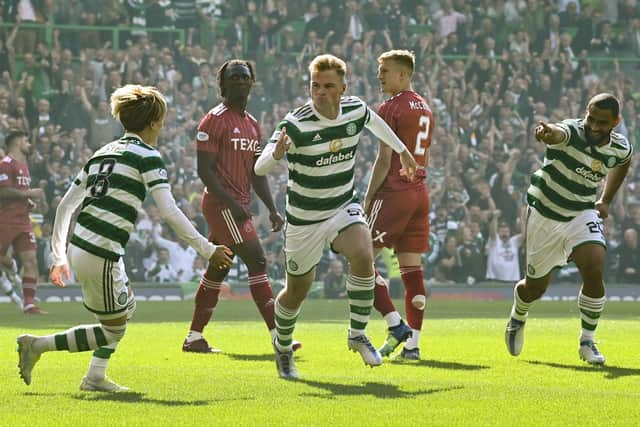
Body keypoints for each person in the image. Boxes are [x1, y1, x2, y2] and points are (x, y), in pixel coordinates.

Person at [16, 84, 233, 392]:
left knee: (125, 313)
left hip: (87, 248)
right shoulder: (147, 156)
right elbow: (169, 212)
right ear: (155, 122)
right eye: (162, 119)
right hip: (100, 252)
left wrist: (59, 256)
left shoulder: (102, 153)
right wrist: (208, 250)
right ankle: (37, 346)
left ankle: (94, 376)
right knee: (113, 329)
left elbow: (65, 206)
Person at [255, 54, 418, 379]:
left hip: (342, 206)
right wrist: (275, 154)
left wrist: (402, 150)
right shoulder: (295, 123)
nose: (321, 92)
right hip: (304, 219)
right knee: (297, 290)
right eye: (316, 86)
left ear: (343, 88)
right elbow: (259, 168)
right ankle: (283, 347)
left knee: (362, 252)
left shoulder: (355, 109)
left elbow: (376, 123)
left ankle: (357, 334)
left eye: (329, 86)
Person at [505, 93, 633, 365]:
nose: (594, 127)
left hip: (581, 212)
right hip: (545, 215)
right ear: (585, 113)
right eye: (591, 119)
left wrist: (606, 200)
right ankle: (519, 313)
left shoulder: (620, 147)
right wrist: (546, 131)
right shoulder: (573, 131)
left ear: (616, 122)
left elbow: (623, 163)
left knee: (595, 265)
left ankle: (587, 341)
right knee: (534, 289)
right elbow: (557, 133)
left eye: (602, 123)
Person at [183, 59, 292, 353]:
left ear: (252, 82)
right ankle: (279, 337)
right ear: (223, 84)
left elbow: (256, 172)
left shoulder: (252, 124)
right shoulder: (213, 120)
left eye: (245, 77)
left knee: (219, 267)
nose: (240, 81)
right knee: (257, 260)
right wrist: (233, 203)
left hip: (238, 205)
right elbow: (204, 171)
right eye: (234, 77)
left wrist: (271, 208)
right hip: (221, 205)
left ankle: (194, 338)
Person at [364, 50, 434, 361]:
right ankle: (413, 347)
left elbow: (384, 158)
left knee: (360, 260)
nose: (379, 76)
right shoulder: (426, 108)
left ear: (403, 75)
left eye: (386, 71)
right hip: (419, 191)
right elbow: (425, 155)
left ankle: (395, 325)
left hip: (393, 192)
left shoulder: (390, 107)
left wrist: (368, 198)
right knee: (412, 271)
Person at [0, 130, 47, 314]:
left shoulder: (24, 166)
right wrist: (29, 194)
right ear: (18, 142)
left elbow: (17, 193)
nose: (29, 143)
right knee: (6, 259)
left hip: (23, 221)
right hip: (5, 221)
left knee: (31, 261)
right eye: (26, 140)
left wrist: (28, 202)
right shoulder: (5, 164)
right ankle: (10, 266)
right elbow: (2, 192)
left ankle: (29, 304)